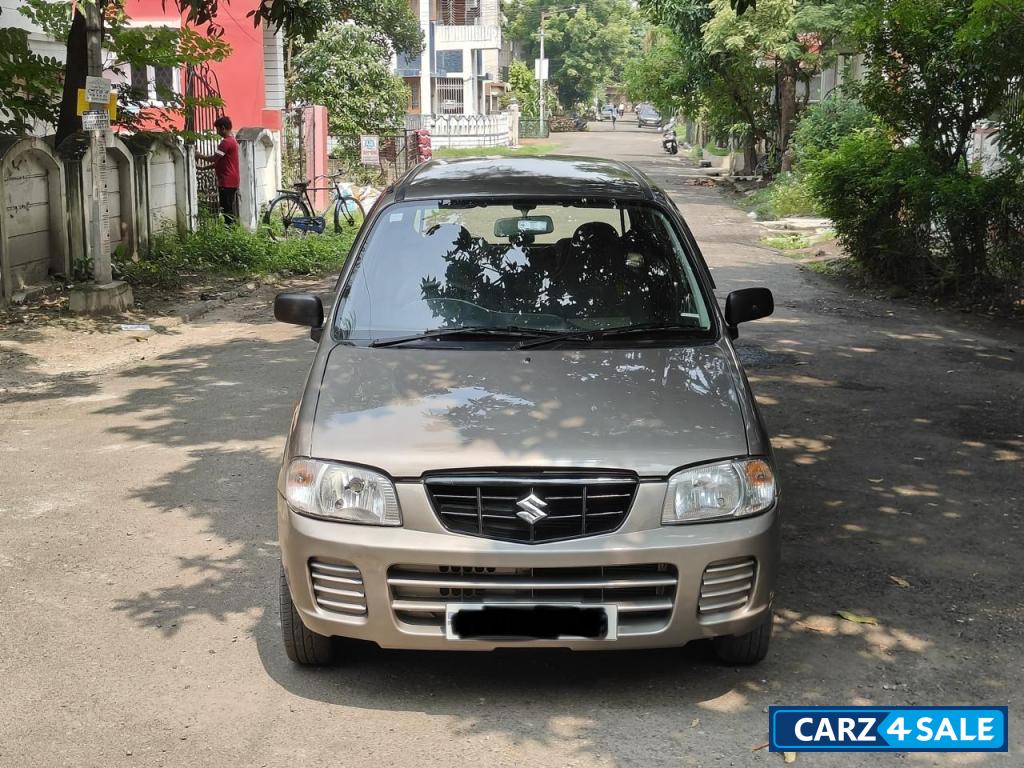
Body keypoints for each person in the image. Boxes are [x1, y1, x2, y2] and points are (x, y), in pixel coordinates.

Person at [197, 115, 239, 225]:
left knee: (226, 210)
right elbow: (219, 162)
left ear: (223, 128)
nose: (217, 132)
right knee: (228, 209)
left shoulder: (226, 142)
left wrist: (199, 156)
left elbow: (215, 158)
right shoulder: (232, 141)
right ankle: (231, 229)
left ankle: (230, 230)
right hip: (231, 180)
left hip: (226, 181)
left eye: (217, 129)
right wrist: (203, 168)